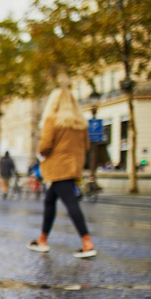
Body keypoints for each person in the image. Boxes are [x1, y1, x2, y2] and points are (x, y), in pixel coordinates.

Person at [27, 84, 96, 258]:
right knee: (49, 200)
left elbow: (45, 146)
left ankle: (87, 243)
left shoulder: (53, 119)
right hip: (74, 166)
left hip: (58, 167)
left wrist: (41, 153)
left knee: (70, 202)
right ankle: (42, 239)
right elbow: (87, 146)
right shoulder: (80, 123)